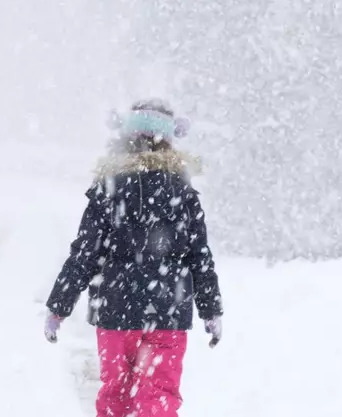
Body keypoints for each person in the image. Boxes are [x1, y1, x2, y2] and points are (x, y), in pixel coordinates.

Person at [43, 99, 223, 417]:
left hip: (115, 309)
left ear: (123, 139)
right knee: (159, 396)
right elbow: (200, 257)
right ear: (170, 140)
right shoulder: (182, 193)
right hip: (168, 308)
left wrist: (59, 305)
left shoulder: (108, 189)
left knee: (116, 395)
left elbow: (84, 253)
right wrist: (211, 310)